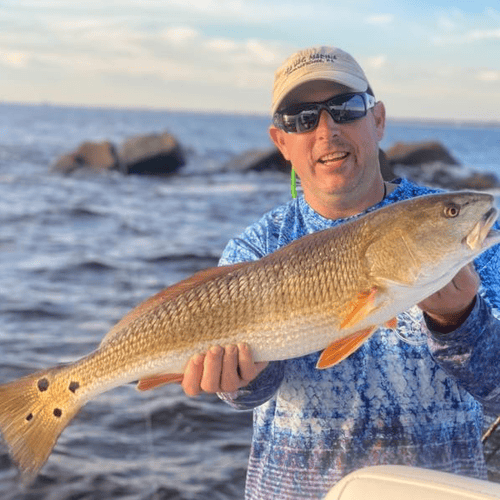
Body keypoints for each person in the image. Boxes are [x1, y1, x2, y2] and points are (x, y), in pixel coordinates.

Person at [181, 46, 500, 499]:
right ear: (281, 142)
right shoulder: (255, 249)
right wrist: (240, 382)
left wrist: (461, 323)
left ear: (379, 121)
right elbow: (253, 395)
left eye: (346, 109)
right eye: (302, 119)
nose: (326, 131)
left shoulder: (459, 230)